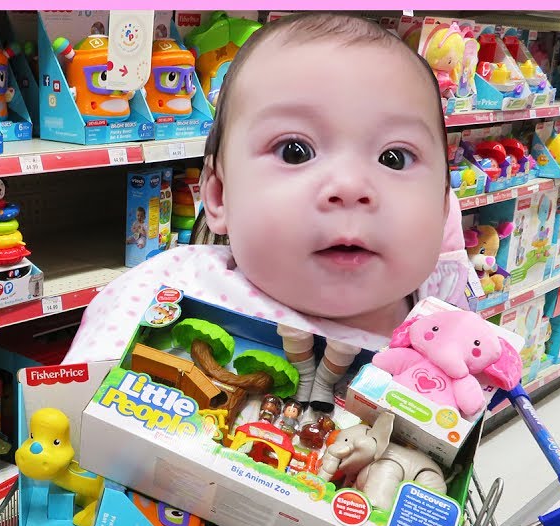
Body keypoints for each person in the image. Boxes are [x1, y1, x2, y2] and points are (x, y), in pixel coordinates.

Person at [64, 13, 473, 422]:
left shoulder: (443, 334)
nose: (350, 186)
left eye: (394, 158)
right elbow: (67, 412)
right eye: (295, 151)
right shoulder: (168, 286)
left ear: (442, 208)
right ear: (220, 196)